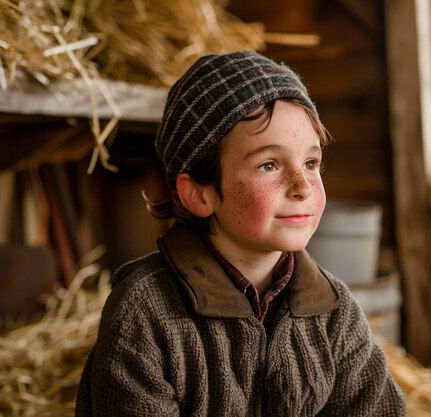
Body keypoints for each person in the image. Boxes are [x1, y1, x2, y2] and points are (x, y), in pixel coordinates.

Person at [75, 50, 406, 416]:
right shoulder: (146, 314)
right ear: (199, 193)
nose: (303, 187)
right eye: (269, 164)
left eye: (311, 163)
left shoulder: (335, 312)